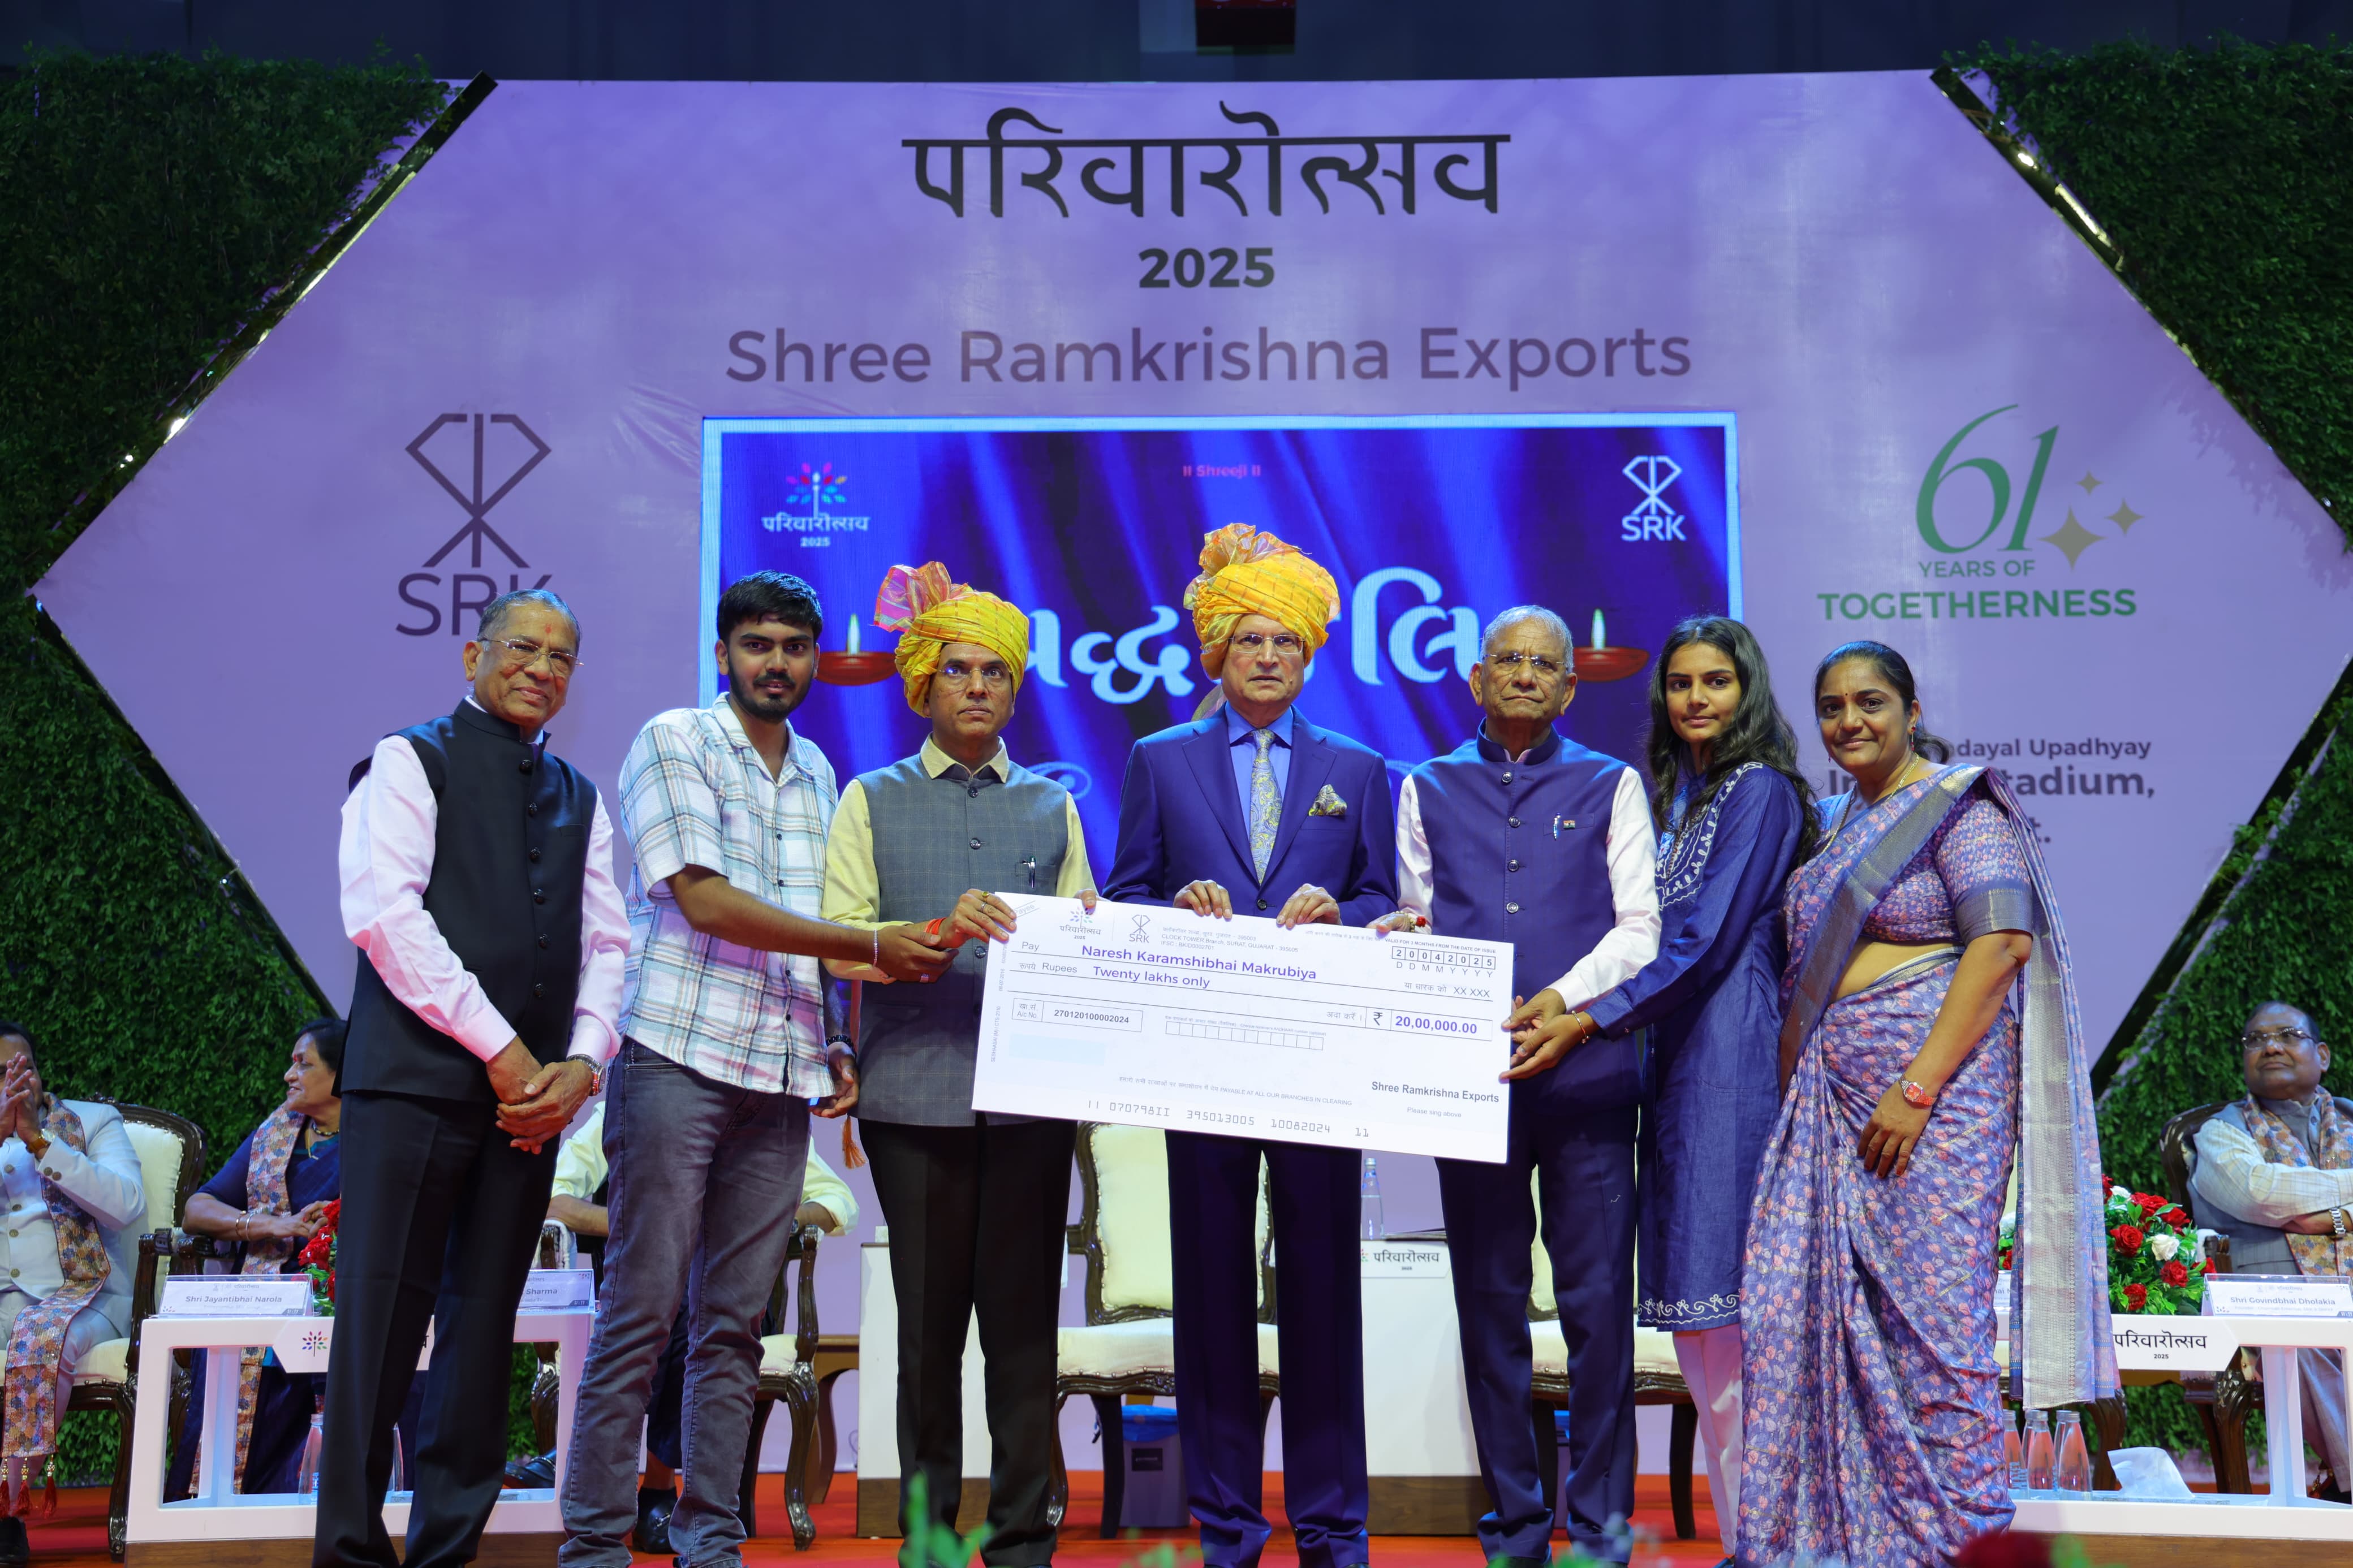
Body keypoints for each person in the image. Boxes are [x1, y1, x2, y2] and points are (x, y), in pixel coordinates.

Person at [561, 571, 947, 1568]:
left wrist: (836, 1042)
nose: (776, 663)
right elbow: (706, 902)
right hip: (677, 1057)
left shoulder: (817, 770)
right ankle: (594, 1542)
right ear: (723, 653)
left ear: (816, 659)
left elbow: (808, 929)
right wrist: (870, 946)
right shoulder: (675, 739)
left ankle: (711, 1539)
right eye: (757, 644)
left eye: (794, 647)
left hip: (779, 1076)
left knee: (736, 1325)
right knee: (643, 1309)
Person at [1738, 641, 2112, 1566]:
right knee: (1802, 1317)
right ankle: (1843, 1543)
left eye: (1870, 701)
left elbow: (2002, 944)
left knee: (1933, 1332)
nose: (1850, 721)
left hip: (1935, 1110)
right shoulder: (1836, 825)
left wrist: (1916, 1087)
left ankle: (1961, 1542)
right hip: (1829, 1107)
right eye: (1832, 707)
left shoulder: (1962, 807)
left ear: (1910, 710)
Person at [1105, 524, 1397, 1568]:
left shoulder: (1359, 766)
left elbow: (1385, 898)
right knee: (1213, 1296)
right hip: (1203, 1065)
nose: (1268, 656)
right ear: (1216, 654)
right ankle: (1226, 1523)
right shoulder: (1159, 760)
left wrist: (1347, 912)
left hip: (1319, 1072)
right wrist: (1174, 905)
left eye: (1286, 642)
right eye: (1249, 640)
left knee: (1325, 1295)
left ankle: (1333, 1524)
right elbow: (1125, 896)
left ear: (1310, 656)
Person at [324, 587, 629, 1568]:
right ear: (472, 655)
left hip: (530, 1107)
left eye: (561, 657)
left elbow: (611, 942)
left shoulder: (582, 795)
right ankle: (351, 1551)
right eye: (522, 648)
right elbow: (386, 917)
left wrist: (584, 1063)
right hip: (412, 1087)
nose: (541, 668)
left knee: (483, 1324)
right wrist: (504, 1049)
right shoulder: (411, 759)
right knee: (378, 1321)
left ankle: (447, 1548)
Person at [1508, 616, 1811, 1560]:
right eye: (1680, 683)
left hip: (1728, 1053)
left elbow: (1706, 941)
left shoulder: (1759, 791)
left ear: (1748, 690)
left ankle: (1772, 1540)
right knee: (1699, 1323)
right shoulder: (1687, 796)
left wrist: (1588, 1016)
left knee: (1732, 1315)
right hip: (1674, 1057)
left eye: (1716, 681)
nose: (1695, 699)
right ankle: (1749, 1537)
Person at [819, 560, 1096, 1563]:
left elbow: (1084, 939)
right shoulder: (869, 798)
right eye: (959, 669)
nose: (978, 686)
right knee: (929, 1335)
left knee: (1023, 1334)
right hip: (912, 1098)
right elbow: (840, 940)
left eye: (996, 672)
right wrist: (935, 930)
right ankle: (931, 1535)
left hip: (1031, 1105)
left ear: (1015, 689)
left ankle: (1021, 1539)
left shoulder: (1054, 806)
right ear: (923, 683)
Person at [1376, 606, 1661, 1566]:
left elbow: (1640, 931)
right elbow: (1414, 913)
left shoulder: (1612, 783)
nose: (1526, 675)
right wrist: (1400, 942)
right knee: (1489, 1308)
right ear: (1477, 677)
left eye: (1545, 664)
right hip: (1471, 1085)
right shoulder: (1425, 785)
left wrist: (1563, 998)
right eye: (1509, 660)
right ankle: (1514, 1526)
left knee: (1598, 1313)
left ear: (1571, 687)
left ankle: (1603, 1529)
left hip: (1588, 1079)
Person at [545, 1103, 861, 1548]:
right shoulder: (629, 1104)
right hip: (643, 1296)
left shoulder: (757, 1111)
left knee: (690, 1298)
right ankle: (659, 1495)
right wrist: (649, 1227)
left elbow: (838, 1202)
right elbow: (553, 1197)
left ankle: (647, 1482)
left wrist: (761, 1222)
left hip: (738, 1301)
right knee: (668, 1292)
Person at [167, 1020, 412, 1500]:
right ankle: (217, 1503)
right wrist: (270, 1224)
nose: (288, 1074)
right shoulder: (276, 1135)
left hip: (344, 1298)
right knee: (232, 1347)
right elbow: (198, 1208)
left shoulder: (379, 1137)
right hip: (264, 1295)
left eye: (304, 1063)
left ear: (342, 1074)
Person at [2188, 1001, 2353, 1499]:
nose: (2271, 1046)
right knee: (2297, 1339)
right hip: (2277, 1304)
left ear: (2322, 1055)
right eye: (2256, 1039)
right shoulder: (2222, 1132)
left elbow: (2287, 1197)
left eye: (2287, 1035)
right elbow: (2261, 1191)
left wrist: (2336, 1218)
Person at [0, 1022, 146, 1557]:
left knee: (42, 1338)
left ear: (38, 1075)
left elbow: (126, 1204)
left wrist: (39, 1140)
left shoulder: (93, 1121)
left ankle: (4, 1510)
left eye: (19, 1069)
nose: (12, 1083)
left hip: (87, 1296)